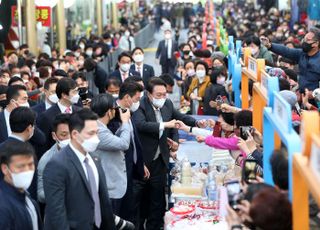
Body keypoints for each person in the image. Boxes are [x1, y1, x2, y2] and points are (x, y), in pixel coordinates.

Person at [132, 77, 206, 229]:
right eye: (158, 95)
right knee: (138, 199)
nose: (162, 98)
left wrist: (196, 122)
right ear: (148, 94)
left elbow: (179, 118)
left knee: (157, 198)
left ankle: (155, 225)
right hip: (142, 160)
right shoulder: (139, 105)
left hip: (160, 159)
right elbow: (141, 125)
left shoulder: (168, 104)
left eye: (164, 94)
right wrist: (165, 124)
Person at [43, 109, 116, 230]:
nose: (96, 138)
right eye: (90, 133)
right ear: (75, 134)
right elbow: (57, 212)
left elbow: (102, 201)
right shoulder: (57, 165)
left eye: (97, 133)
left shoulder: (94, 159)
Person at [108, 81, 146, 222]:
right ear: (127, 98)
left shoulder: (128, 113)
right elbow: (118, 144)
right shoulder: (112, 114)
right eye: (136, 99)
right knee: (119, 213)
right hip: (118, 172)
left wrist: (140, 162)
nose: (138, 102)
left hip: (132, 169)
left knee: (130, 211)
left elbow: (134, 142)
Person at [91, 94, 131, 214]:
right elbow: (124, 144)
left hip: (111, 185)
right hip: (109, 188)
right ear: (109, 112)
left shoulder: (100, 127)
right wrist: (125, 122)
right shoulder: (98, 130)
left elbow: (113, 140)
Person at [261, 27, 320, 93]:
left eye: (308, 40)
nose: (304, 42)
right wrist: (270, 46)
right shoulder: (301, 54)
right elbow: (286, 51)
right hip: (301, 94)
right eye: (304, 39)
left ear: (316, 43)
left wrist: (314, 94)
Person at [0, 140, 43, 230]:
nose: (27, 170)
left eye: (30, 165)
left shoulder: (30, 201)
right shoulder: (3, 206)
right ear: (5, 169)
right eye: (21, 166)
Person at [37, 78, 81, 152]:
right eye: (74, 92)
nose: (77, 95)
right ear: (64, 95)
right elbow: (43, 145)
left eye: (77, 92)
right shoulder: (46, 116)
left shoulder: (80, 112)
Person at [37, 114, 71, 203]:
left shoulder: (86, 154)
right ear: (54, 135)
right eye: (64, 135)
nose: (69, 138)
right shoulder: (46, 160)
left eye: (72, 134)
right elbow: (40, 194)